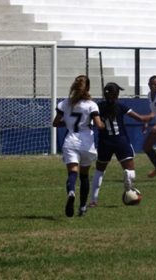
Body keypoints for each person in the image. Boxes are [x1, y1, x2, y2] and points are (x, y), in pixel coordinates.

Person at [89, 82, 152, 207]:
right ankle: (128, 180)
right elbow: (139, 118)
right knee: (130, 170)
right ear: (116, 94)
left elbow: (92, 122)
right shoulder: (120, 106)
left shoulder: (98, 106)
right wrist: (151, 116)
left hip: (104, 142)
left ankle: (93, 201)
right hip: (121, 141)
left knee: (99, 172)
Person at [52, 75, 105, 217]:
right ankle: (82, 207)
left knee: (72, 173)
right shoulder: (91, 105)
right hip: (86, 142)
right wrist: (103, 124)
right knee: (84, 176)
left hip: (71, 141)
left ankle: (71, 192)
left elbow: (55, 123)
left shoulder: (64, 103)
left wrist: (68, 123)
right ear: (87, 88)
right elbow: (99, 124)